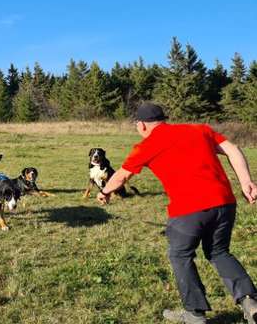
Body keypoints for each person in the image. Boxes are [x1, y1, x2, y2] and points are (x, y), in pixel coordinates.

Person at [97, 102, 257, 324]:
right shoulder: (199, 129)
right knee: (219, 252)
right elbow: (233, 148)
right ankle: (250, 301)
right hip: (225, 203)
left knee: (180, 256)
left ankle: (194, 313)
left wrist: (104, 192)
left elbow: (121, 177)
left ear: (141, 125)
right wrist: (247, 181)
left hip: (188, 210)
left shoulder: (146, 146)